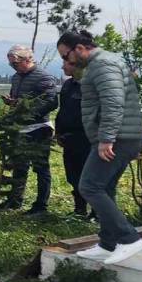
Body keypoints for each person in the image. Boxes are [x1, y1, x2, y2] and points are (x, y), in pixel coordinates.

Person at [59, 31, 142, 264]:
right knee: (104, 187)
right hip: (119, 136)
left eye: (66, 55)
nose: (66, 62)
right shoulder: (103, 63)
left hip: (116, 138)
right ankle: (108, 243)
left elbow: (113, 102)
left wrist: (106, 139)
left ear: (78, 48)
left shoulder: (103, 64)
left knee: (89, 186)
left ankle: (128, 238)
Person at [0, 45, 58, 215]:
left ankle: (41, 205)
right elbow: (18, 100)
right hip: (20, 129)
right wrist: (12, 103)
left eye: (15, 64)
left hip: (39, 128)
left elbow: (51, 102)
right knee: (20, 166)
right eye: (11, 64)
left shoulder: (44, 77)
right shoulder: (16, 78)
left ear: (27, 59)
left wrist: (28, 112)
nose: (13, 67)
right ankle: (15, 200)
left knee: (41, 167)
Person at [55, 56, 93, 217]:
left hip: (86, 139)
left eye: (65, 65)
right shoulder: (68, 85)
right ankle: (79, 209)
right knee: (73, 175)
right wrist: (58, 132)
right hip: (68, 138)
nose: (63, 68)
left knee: (89, 176)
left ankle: (97, 212)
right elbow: (62, 110)